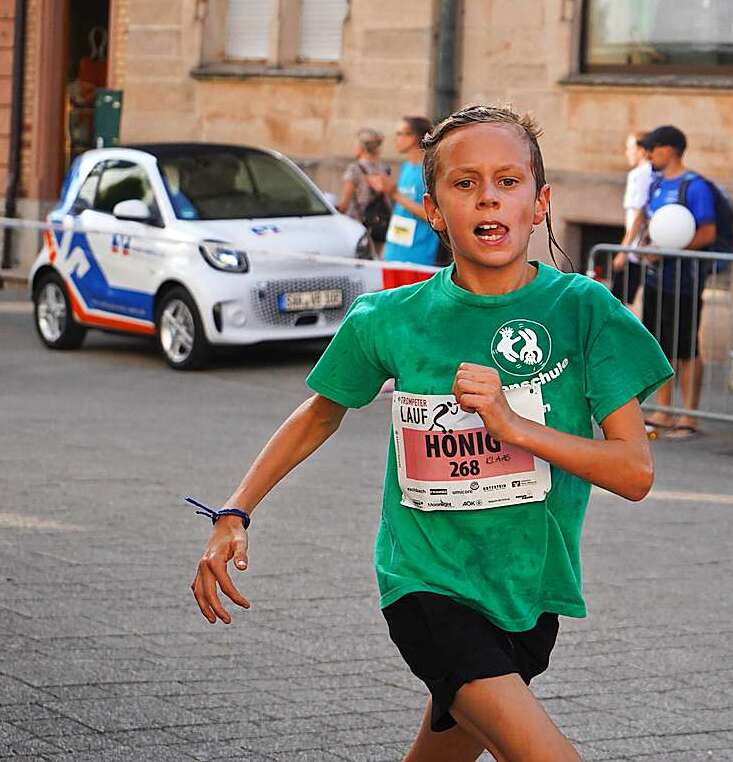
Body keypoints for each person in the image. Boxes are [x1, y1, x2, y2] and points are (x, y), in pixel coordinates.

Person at [189, 104, 673, 762]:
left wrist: (512, 426)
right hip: (426, 585)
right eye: (465, 183)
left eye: (508, 180)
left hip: (531, 590)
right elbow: (319, 413)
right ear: (434, 209)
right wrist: (235, 508)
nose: (489, 198)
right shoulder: (389, 318)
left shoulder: (585, 311)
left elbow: (634, 472)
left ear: (540, 201)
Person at [620, 125, 716, 438]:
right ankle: (664, 410)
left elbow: (706, 232)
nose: (648, 155)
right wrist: (639, 248)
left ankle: (689, 415)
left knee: (686, 346)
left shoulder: (695, 186)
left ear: (670, 149)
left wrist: (671, 250)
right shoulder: (657, 183)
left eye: (653, 149)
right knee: (659, 344)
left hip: (685, 280)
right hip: (656, 279)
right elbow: (647, 220)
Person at [371, 116, 440, 267]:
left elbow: (432, 215)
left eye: (400, 134)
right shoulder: (406, 167)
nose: (397, 139)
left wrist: (395, 194)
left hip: (417, 256)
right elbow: (402, 207)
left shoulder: (428, 171)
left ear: (413, 138)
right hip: (394, 251)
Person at [611, 131, 651, 305]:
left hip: (634, 251)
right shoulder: (649, 173)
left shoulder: (640, 174)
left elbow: (639, 215)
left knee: (618, 301)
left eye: (630, 148)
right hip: (639, 249)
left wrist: (623, 250)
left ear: (642, 150)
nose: (627, 153)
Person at [338, 127, 391, 256]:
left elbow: (344, 204)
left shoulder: (354, 169)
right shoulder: (384, 169)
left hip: (356, 225)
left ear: (361, 148)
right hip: (378, 224)